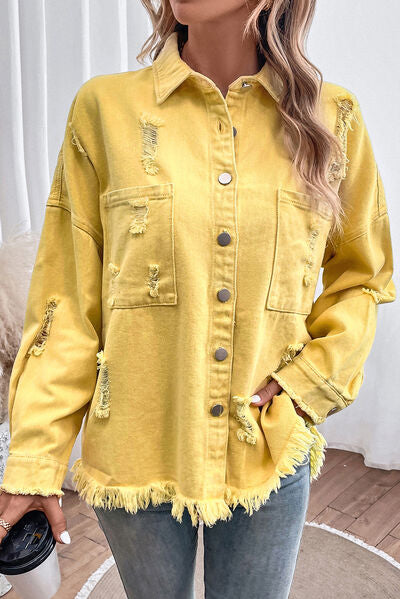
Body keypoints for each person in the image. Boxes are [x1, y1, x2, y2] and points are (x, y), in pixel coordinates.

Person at [0, 1, 396, 597]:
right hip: (136, 449)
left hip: (266, 444)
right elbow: (66, 303)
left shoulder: (333, 120)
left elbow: (362, 277)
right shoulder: (104, 109)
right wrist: (35, 458)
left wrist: (307, 383)